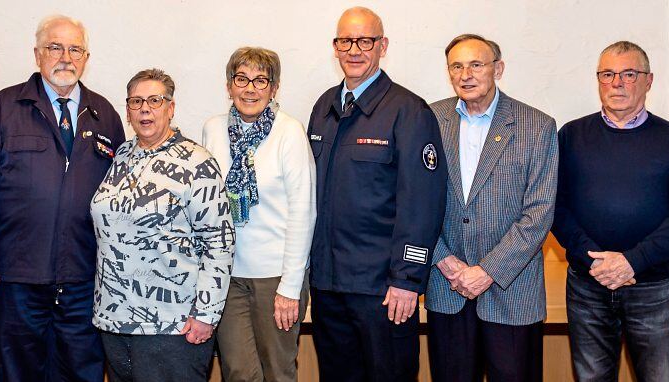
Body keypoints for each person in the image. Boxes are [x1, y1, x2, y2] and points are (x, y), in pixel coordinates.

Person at [0, 14, 126, 382]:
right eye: (55, 47)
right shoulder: (4, 107)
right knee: (17, 374)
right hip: (16, 279)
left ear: (86, 57)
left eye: (75, 49)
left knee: (82, 374)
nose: (65, 57)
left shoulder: (105, 115)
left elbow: (121, 200)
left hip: (84, 281)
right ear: (37, 55)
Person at [305, 7, 448, 381]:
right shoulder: (324, 107)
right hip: (328, 285)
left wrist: (406, 279)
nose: (354, 49)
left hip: (382, 290)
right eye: (345, 41)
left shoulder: (408, 111)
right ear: (334, 47)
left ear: (382, 46)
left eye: (365, 41)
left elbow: (422, 205)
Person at [552, 40, 669, 381]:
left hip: (653, 288)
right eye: (608, 74)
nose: (617, 82)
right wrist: (596, 262)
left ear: (648, 80)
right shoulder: (571, 136)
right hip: (588, 285)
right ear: (598, 80)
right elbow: (556, 208)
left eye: (628, 73)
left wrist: (631, 261)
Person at [424, 34, 558, 382]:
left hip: (512, 290)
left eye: (476, 64)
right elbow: (415, 200)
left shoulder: (536, 126)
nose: (466, 74)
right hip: (447, 283)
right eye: (457, 66)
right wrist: (443, 258)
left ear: (498, 69)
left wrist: (487, 271)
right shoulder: (429, 119)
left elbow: (539, 212)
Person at [91, 68, 234, 382]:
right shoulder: (121, 156)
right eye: (136, 101)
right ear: (127, 111)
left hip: (173, 325)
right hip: (113, 319)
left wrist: (206, 314)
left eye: (155, 100)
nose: (145, 108)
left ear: (171, 108)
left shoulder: (197, 162)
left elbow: (219, 242)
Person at [201, 47, 315, 382]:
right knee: (237, 371)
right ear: (229, 85)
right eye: (242, 79)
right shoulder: (212, 129)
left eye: (261, 81)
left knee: (278, 372)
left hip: (275, 277)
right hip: (228, 276)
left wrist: (290, 287)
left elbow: (303, 212)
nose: (250, 89)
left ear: (274, 88)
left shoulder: (289, 132)